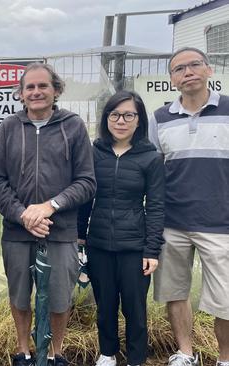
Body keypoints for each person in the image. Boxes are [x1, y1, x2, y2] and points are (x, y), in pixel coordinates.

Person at [0, 63, 96, 366]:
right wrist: (23, 215)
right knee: (20, 296)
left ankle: (54, 353)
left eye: (43, 86)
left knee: (60, 297)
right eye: (30, 88)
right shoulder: (10, 127)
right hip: (17, 230)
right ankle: (23, 351)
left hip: (60, 230)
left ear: (56, 90)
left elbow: (87, 181)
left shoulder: (73, 126)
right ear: (21, 94)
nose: (36, 92)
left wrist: (51, 206)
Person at [149, 47, 229, 366]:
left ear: (209, 70)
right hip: (172, 223)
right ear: (172, 79)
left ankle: (225, 358)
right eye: (179, 69)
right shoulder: (159, 119)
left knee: (225, 299)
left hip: (221, 223)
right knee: (174, 292)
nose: (188, 72)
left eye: (195, 65)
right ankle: (185, 353)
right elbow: (153, 172)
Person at [77, 90, 164, 366]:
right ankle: (107, 353)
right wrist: (80, 238)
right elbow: (84, 198)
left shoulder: (150, 157)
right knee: (105, 305)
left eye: (129, 115)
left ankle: (137, 358)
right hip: (99, 243)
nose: (121, 121)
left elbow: (156, 205)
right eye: (114, 114)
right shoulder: (94, 153)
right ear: (106, 119)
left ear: (139, 120)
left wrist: (152, 249)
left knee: (135, 308)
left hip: (135, 246)